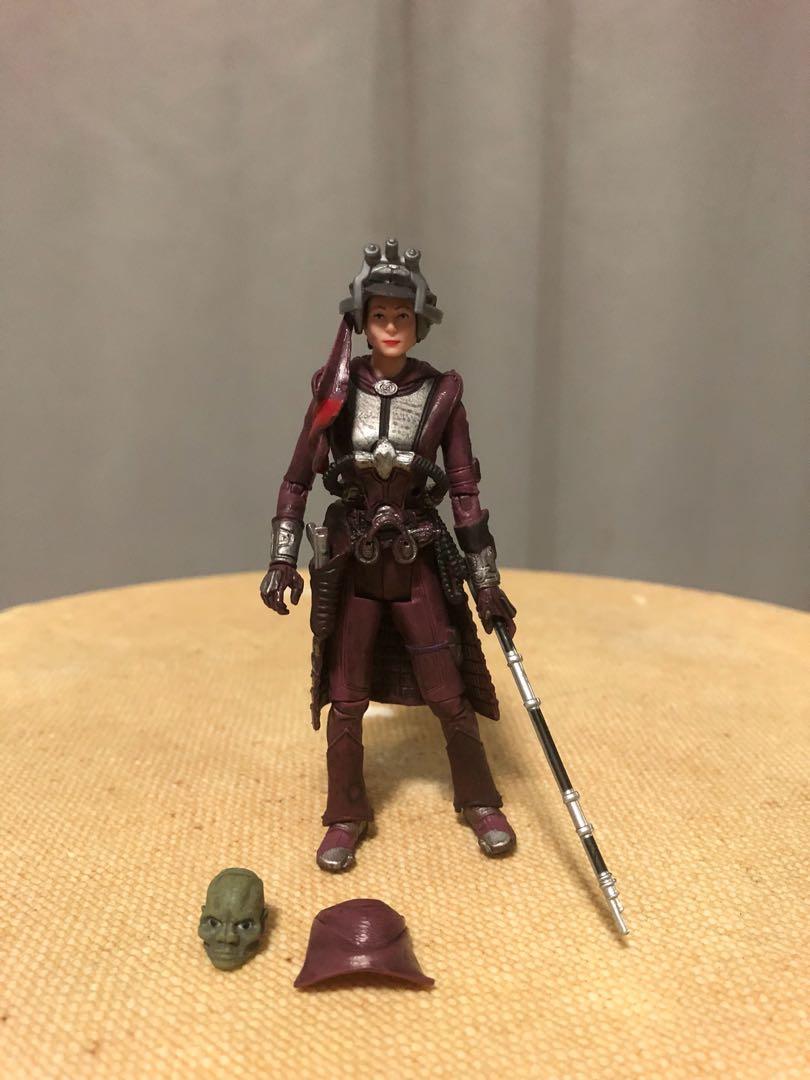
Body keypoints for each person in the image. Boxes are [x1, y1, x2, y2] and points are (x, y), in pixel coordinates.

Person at [260, 239, 518, 872]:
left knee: (448, 688)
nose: (391, 327)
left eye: (402, 316)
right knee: (346, 696)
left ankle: (479, 800)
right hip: (355, 558)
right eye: (380, 315)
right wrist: (282, 557)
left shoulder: (442, 394)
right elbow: (296, 479)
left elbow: (465, 495)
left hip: (415, 555)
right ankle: (345, 814)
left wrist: (486, 582)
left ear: (418, 320)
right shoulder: (335, 388)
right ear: (362, 320)